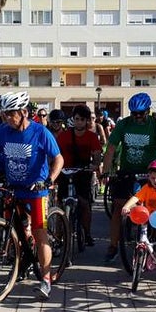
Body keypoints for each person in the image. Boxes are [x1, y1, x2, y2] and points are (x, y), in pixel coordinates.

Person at [0, 91, 64, 299]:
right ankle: (20, 258)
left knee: (40, 234)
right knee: (16, 227)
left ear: (24, 112)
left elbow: (58, 159)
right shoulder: (4, 131)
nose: (7, 118)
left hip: (36, 191)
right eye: (4, 114)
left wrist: (49, 179)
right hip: (13, 188)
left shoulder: (40, 132)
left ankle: (45, 279)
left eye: (11, 114)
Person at [100, 93, 156, 262]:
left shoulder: (155, 126)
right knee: (119, 207)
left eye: (141, 113)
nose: (137, 117)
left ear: (148, 111)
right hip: (127, 171)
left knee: (153, 208)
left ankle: (154, 243)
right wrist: (106, 171)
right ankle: (113, 246)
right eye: (134, 113)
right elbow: (110, 149)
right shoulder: (124, 125)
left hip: (151, 172)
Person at [54, 104, 102, 246]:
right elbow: (55, 154)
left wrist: (95, 165)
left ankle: (87, 233)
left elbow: (97, 154)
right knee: (60, 205)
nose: (79, 122)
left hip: (83, 172)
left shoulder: (91, 137)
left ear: (87, 121)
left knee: (85, 203)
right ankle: (59, 237)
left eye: (82, 119)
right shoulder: (64, 136)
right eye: (76, 119)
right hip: (65, 172)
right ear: (73, 120)